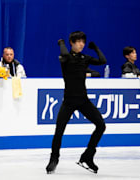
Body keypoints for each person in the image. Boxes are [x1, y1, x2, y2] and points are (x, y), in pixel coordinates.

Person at [46, 31, 107, 174]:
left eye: (83, 42)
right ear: (72, 43)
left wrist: (96, 47)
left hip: (83, 100)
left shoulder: (85, 58)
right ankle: (54, 158)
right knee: (59, 131)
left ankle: (88, 156)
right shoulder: (65, 58)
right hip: (68, 101)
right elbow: (65, 56)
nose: (81, 44)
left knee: (101, 125)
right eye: (78, 41)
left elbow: (102, 61)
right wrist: (61, 43)